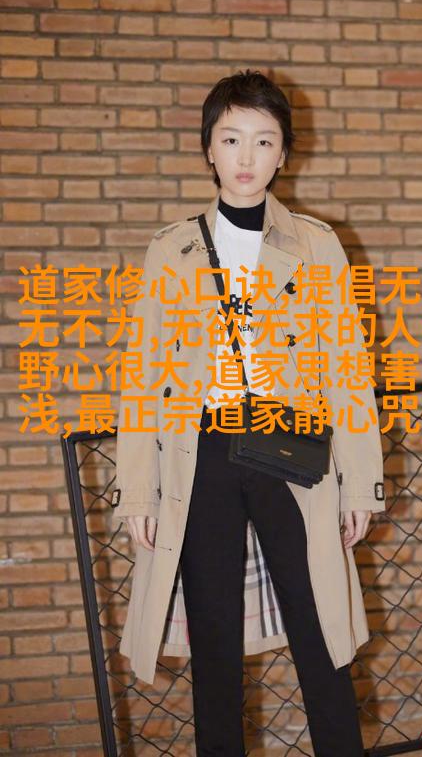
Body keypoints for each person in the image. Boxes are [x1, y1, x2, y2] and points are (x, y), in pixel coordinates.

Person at [114, 69, 386, 756]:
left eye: (263, 140)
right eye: (231, 138)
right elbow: (143, 376)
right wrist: (138, 490)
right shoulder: (170, 249)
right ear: (209, 148)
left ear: (283, 153)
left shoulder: (317, 244)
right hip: (201, 455)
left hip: (288, 447)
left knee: (320, 628)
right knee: (214, 641)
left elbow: (348, 371)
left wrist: (360, 483)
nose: (246, 156)